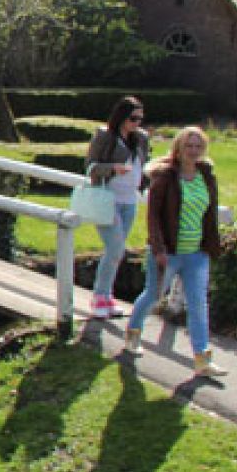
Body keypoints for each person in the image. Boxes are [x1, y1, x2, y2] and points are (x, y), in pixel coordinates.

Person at [123, 126, 226, 377]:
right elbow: (154, 217)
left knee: (198, 304)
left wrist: (211, 243)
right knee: (153, 295)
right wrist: (158, 248)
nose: (193, 151)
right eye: (188, 146)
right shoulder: (166, 177)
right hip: (168, 253)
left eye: (198, 147)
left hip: (197, 254)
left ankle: (202, 358)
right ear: (178, 148)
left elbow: (209, 213)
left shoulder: (206, 175)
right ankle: (133, 333)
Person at [85, 96, 152, 318]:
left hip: (129, 201)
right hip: (107, 199)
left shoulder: (140, 139)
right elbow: (91, 168)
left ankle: (106, 296)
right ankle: (99, 296)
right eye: (133, 118)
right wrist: (112, 168)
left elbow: (145, 165)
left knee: (116, 252)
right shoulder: (105, 136)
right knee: (115, 248)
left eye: (140, 119)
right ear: (121, 117)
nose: (137, 123)